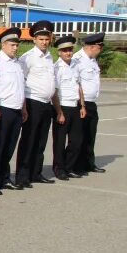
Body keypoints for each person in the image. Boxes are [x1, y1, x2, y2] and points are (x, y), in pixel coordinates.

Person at [0, 27, 27, 194]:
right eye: (12, 45)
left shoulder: (18, 63)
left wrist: (23, 107)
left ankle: (4, 178)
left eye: (17, 45)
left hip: (16, 109)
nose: (15, 48)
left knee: (9, 147)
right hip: (2, 109)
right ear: (3, 45)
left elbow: (20, 87)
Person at [15, 20, 56, 187]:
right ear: (34, 40)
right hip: (33, 102)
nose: (44, 42)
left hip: (46, 104)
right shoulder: (28, 58)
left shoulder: (49, 57)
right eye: (41, 39)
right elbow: (21, 81)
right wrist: (23, 105)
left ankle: (36, 173)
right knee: (29, 140)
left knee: (41, 141)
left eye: (47, 39)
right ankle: (22, 176)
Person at [51, 35, 86, 180]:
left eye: (70, 50)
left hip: (75, 106)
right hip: (62, 108)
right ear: (59, 52)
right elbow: (55, 92)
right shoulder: (56, 68)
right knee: (59, 142)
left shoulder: (76, 65)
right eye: (64, 50)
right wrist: (59, 112)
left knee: (76, 141)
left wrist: (82, 105)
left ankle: (69, 166)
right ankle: (59, 168)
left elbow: (79, 86)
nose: (68, 53)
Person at [72, 32, 106, 174]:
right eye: (100, 48)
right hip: (81, 103)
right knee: (79, 136)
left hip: (92, 103)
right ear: (93, 47)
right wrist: (82, 104)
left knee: (90, 135)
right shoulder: (77, 60)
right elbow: (76, 83)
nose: (100, 51)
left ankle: (89, 163)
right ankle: (77, 165)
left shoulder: (92, 60)